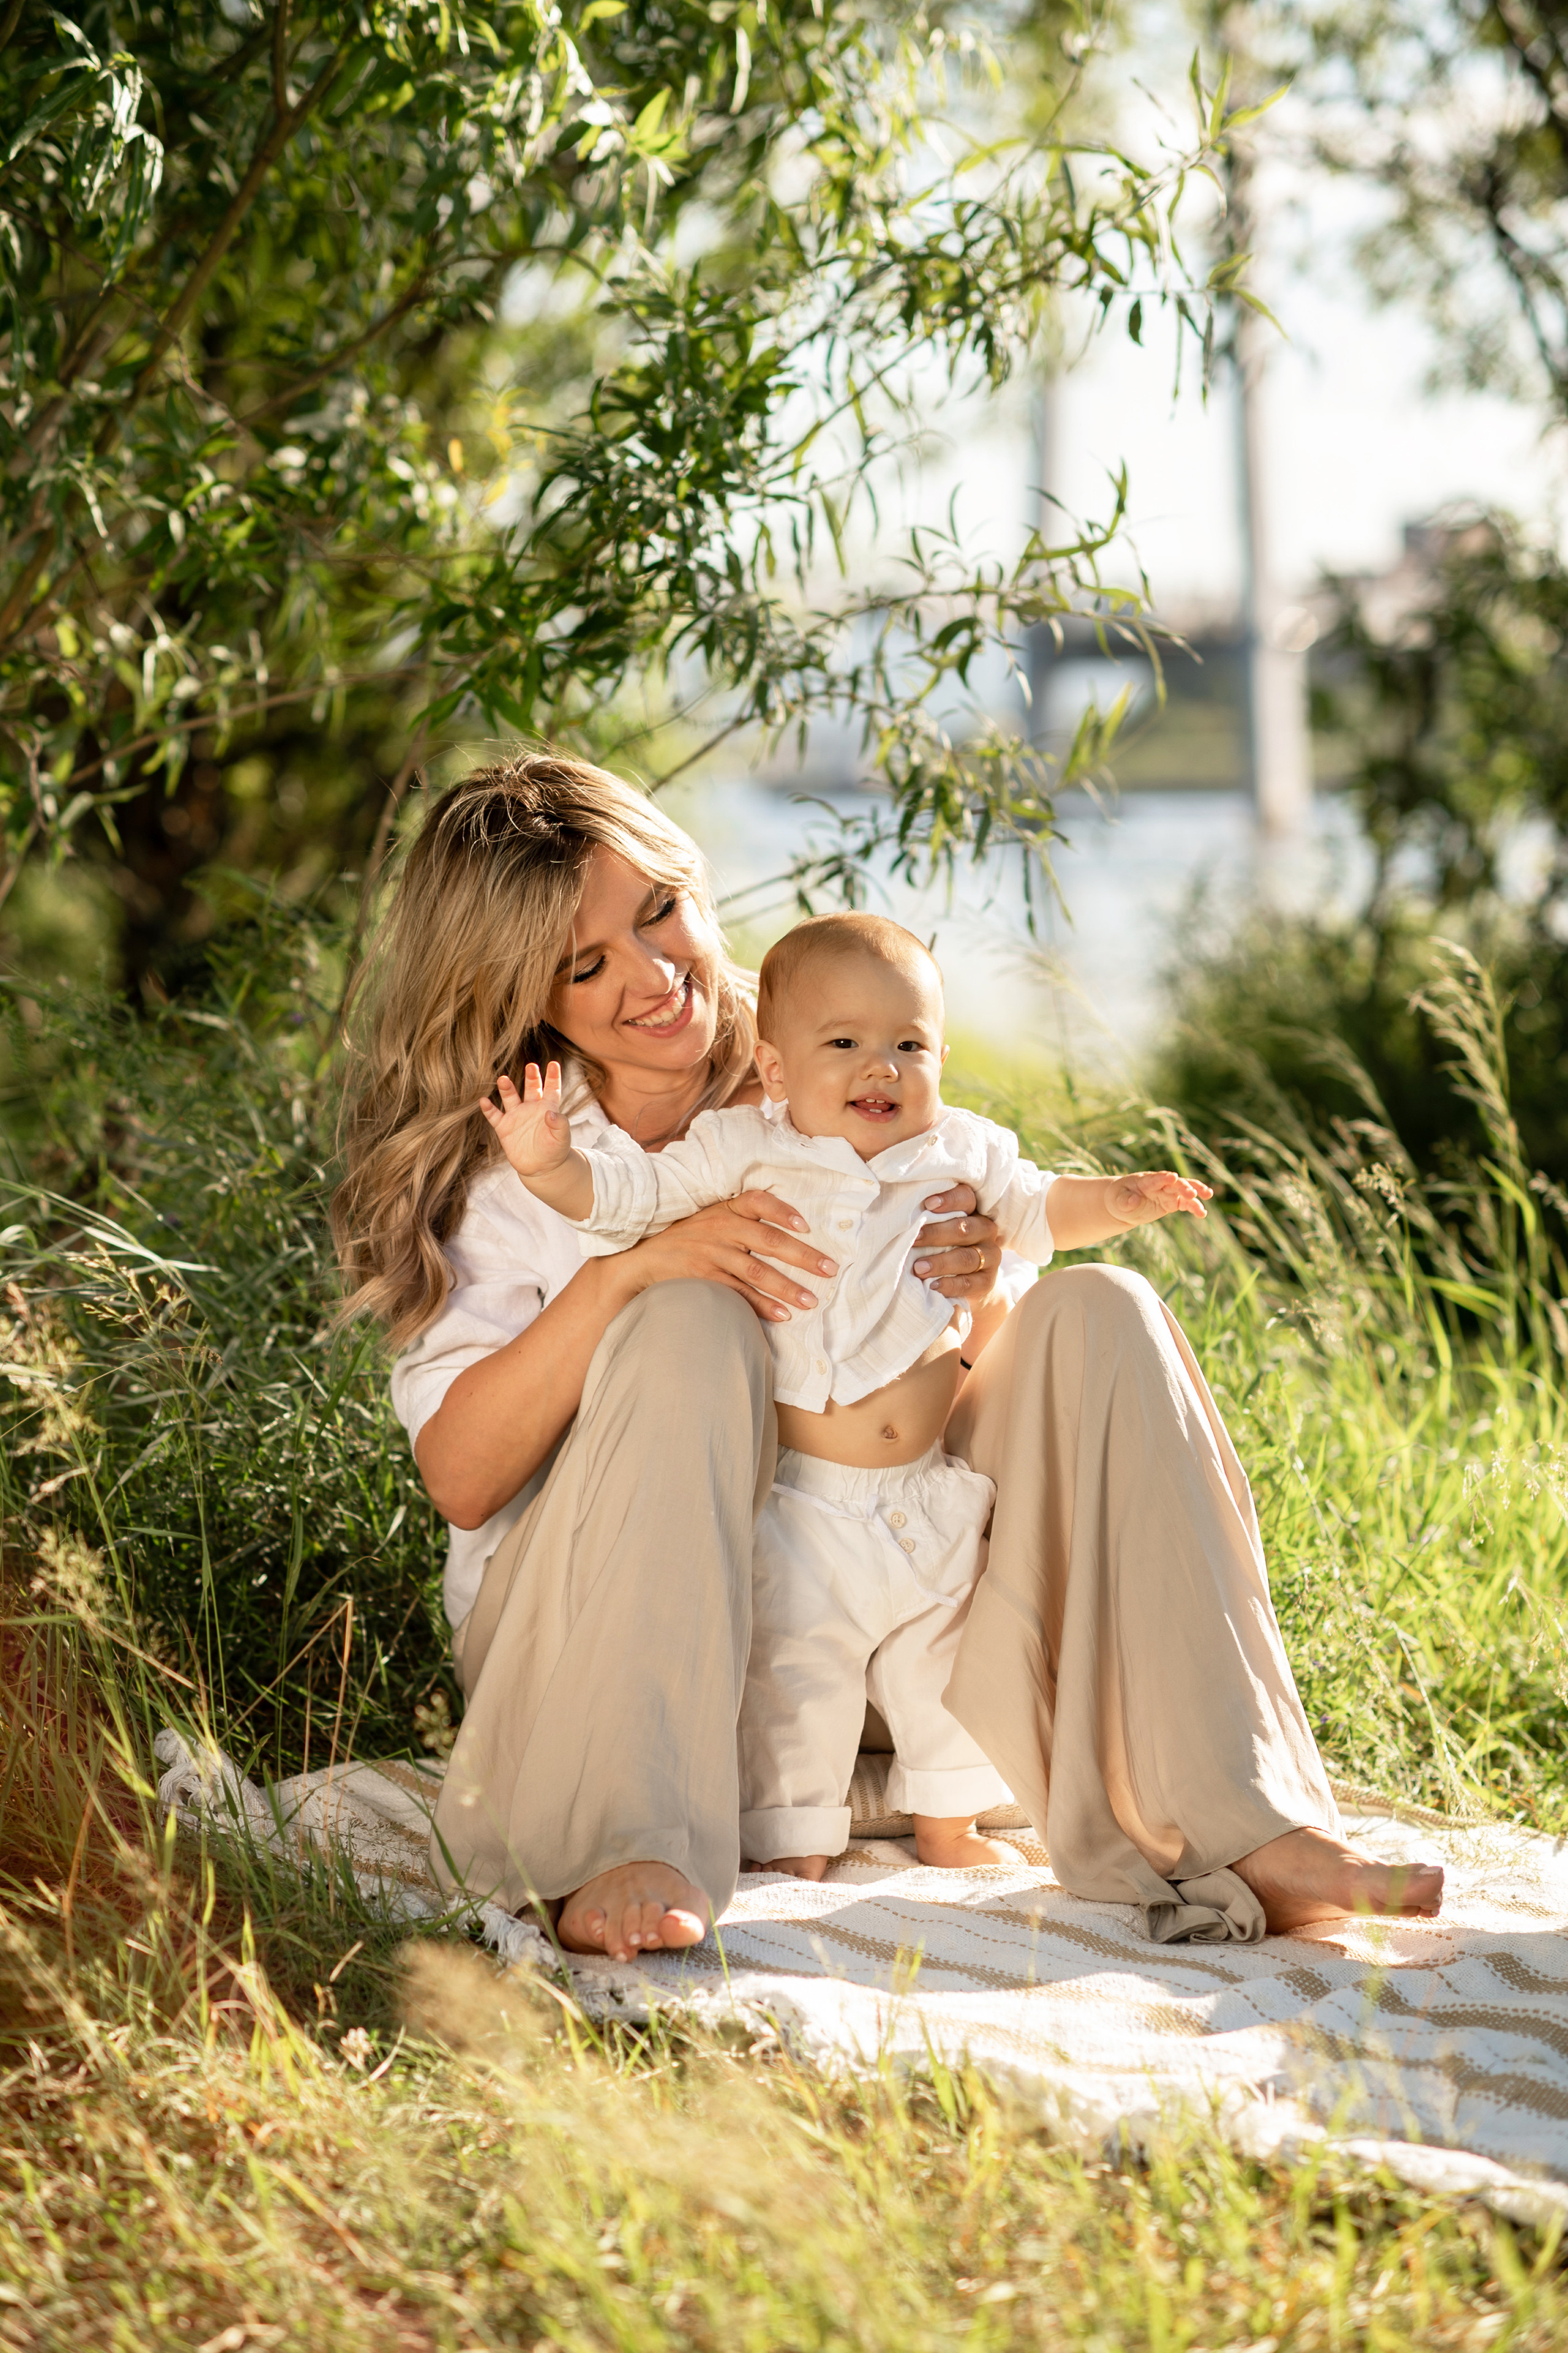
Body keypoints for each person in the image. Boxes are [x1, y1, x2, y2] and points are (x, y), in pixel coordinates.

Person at [333, 750, 1444, 1965]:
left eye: (659, 911)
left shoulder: (833, 1051)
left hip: (887, 1606)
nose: (654, 976)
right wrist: (631, 1270)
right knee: (687, 1317)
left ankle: (1239, 1819)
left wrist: (979, 1281)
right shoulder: (524, 1167)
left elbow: (959, 1371)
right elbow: (462, 1476)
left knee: (1100, 1311)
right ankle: (630, 1836)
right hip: (601, 1660)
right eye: (586, 963)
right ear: (522, 993)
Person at [483, 908, 1216, 1881]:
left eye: (909, 1045)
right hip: (800, 1504)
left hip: (924, 1495)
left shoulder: (964, 1151)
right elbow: (628, 1197)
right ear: (779, 1071)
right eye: (846, 1044)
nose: (882, 1067)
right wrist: (551, 1163)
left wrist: (1115, 1201)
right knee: (794, 1678)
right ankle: (795, 1851)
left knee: (944, 1662)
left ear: (942, 1058)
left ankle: (952, 1827)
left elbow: (1042, 1207)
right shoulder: (743, 1144)